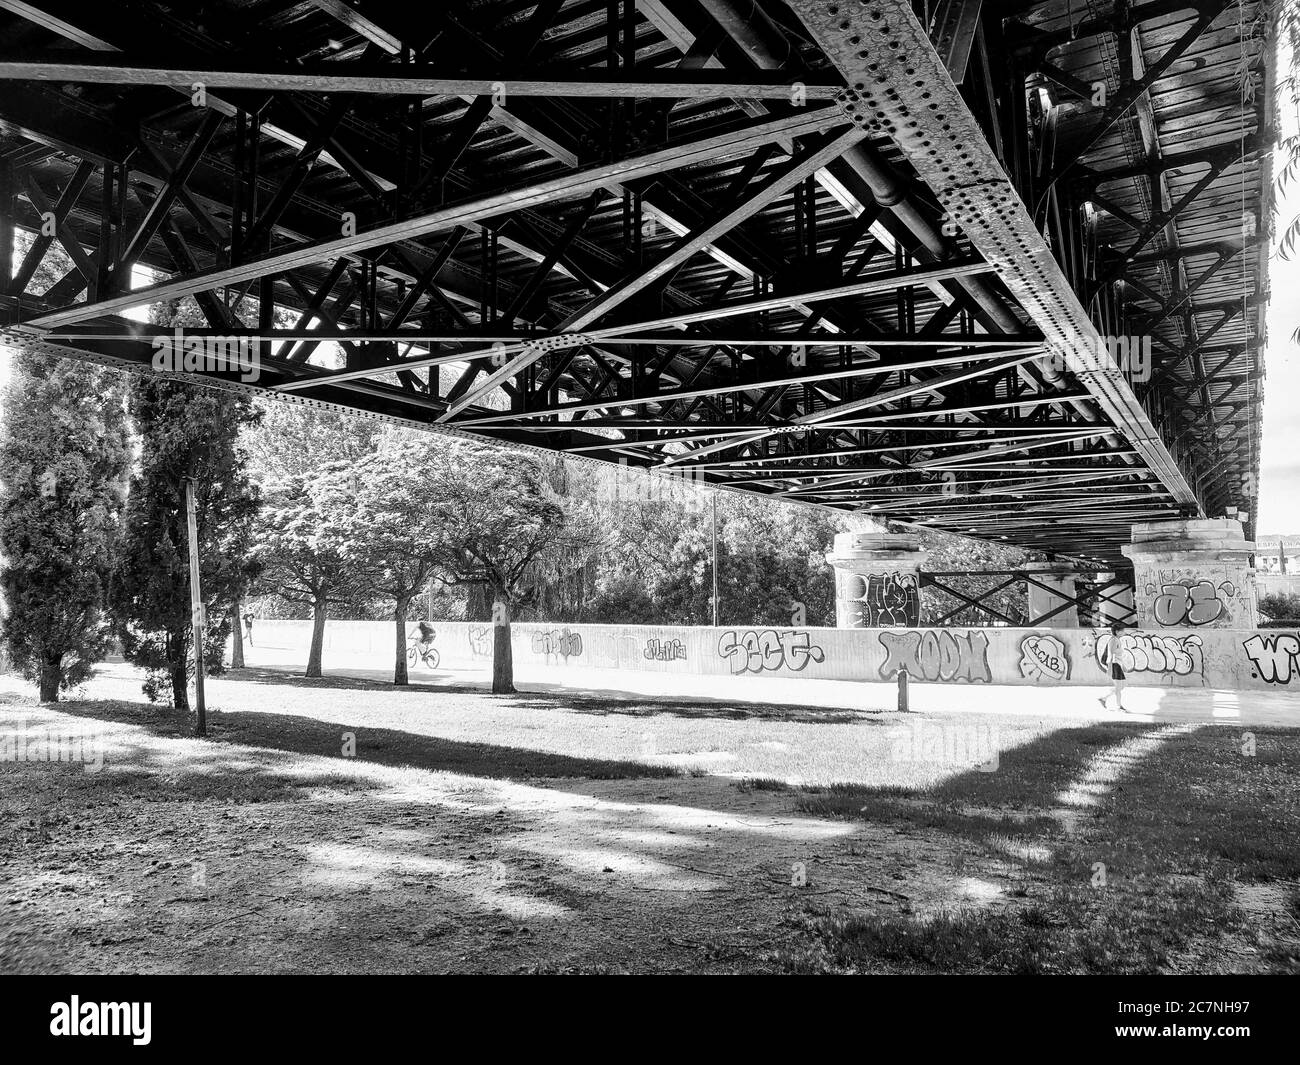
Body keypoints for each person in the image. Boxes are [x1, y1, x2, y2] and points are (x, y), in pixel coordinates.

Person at [1099, 624, 1128, 712]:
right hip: (1114, 665)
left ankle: (1104, 698)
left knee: (1121, 686)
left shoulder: (1117, 640)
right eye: (1122, 630)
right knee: (1119, 687)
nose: (1124, 632)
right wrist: (1110, 668)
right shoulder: (1113, 640)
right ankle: (1119, 706)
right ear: (1117, 631)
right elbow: (1110, 655)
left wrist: (1123, 666)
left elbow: (1118, 655)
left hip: (1118, 665)